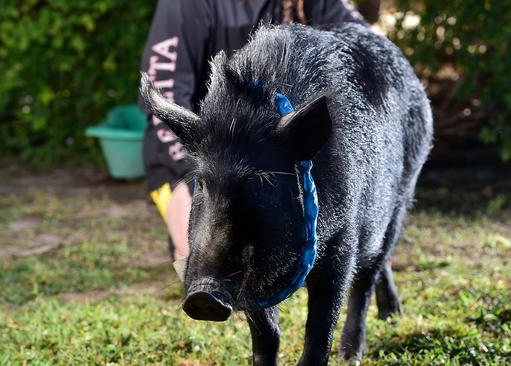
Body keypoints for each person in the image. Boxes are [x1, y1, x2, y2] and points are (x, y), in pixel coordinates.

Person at [139, 0, 367, 267]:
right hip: (201, 155)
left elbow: (366, 50)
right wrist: (191, 171)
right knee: (203, 261)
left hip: (278, 155)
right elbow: (167, 94)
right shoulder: (186, 5)